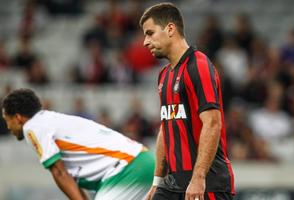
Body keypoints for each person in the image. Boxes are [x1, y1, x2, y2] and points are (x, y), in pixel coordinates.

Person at [139, 3, 235, 200]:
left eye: (150, 33)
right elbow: (166, 128)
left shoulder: (198, 66)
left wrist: (199, 178)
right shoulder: (164, 76)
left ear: (170, 29)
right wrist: (157, 182)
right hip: (174, 183)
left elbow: (212, 123)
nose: (145, 42)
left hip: (208, 183)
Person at [1, 88, 154, 200]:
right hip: (142, 160)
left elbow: (59, 173)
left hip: (127, 169)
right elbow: (69, 179)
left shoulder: (32, 126)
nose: (7, 127)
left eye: (7, 120)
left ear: (18, 117)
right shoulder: (52, 120)